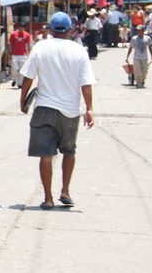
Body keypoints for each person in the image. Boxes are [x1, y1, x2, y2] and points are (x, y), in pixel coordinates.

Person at [19, 11, 96, 210]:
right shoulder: (79, 51)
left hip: (44, 108)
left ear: (51, 30)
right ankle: (65, 191)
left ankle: (48, 198)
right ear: (70, 29)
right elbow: (86, 84)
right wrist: (90, 109)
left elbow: (28, 77)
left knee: (46, 155)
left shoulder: (41, 47)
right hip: (70, 112)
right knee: (69, 151)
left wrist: (22, 101)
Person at [125, 24, 152, 88]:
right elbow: (130, 48)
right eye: (137, 31)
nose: (138, 32)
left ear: (143, 31)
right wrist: (127, 57)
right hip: (136, 57)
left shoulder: (147, 38)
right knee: (137, 71)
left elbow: (150, 47)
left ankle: (142, 80)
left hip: (144, 57)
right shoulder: (134, 38)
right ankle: (138, 83)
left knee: (145, 72)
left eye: (140, 31)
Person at [8, 22, 33, 88]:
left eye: (23, 29)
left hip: (23, 54)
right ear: (19, 28)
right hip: (15, 54)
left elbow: (28, 44)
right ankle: (15, 79)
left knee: (22, 69)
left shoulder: (27, 35)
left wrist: (29, 53)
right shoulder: (13, 34)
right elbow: (10, 43)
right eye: (21, 29)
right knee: (15, 69)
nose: (22, 30)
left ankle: (20, 83)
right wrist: (10, 51)